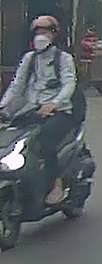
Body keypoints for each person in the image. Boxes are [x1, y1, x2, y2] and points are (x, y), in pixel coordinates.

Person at [0, 16, 79, 205]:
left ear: (54, 34)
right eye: (37, 32)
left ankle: (56, 185)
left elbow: (69, 84)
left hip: (59, 113)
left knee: (45, 142)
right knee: (11, 140)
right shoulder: (29, 59)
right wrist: (3, 107)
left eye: (45, 31)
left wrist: (54, 103)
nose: (40, 35)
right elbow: (16, 86)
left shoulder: (63, 58)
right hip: (32, 111)